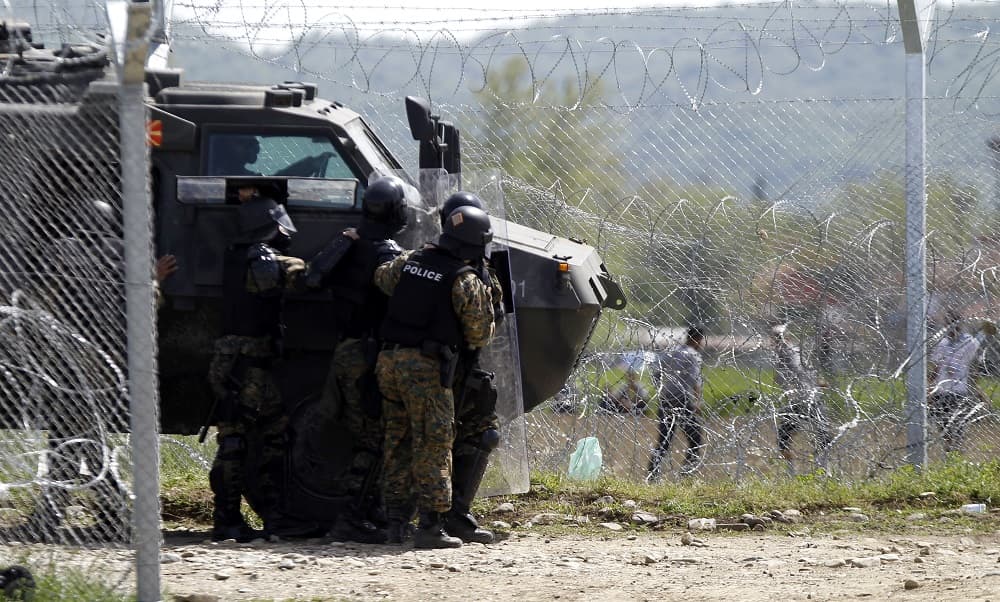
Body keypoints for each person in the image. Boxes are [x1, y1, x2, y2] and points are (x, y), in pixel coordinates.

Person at [375, 204, 496, 549]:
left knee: (397, 438)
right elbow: (480, 334)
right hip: (426, 367)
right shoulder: (464, 279)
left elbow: (382, 278)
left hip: (389, 360)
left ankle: (395, 523)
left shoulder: (410, 261)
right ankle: (430, 525)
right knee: (434, 441)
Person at [305, 176, 407, 543]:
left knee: (366, 434)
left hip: (346, 350)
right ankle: (352, 516)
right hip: (368, 355)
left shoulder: (348, 243)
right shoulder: (386, 253)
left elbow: (313, 277)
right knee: (374, 438)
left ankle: (370, 510)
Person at [206, 180, 305, 542]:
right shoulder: (263, 259)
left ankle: (267, 514)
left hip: (236, 360)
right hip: (246, 363)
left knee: (260, 434)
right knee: (240, 440)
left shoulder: (237, 254)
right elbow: (303, 279)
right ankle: (231, 519)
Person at [436, 191, 504, 545]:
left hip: (460, 366)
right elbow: (486, 326)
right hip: (440, 365)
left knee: (480, 433)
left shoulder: (472, 268)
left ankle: (455, 512)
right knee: (435, 439)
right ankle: (439, 517)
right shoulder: (452, 267)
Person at [928, 311, 996, 453]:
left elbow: (974, 368)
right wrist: (929, 388)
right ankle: (950, 453)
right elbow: (936, 368)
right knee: (945, 429)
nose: (950, 328)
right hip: (942, 391)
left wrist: (976, 389)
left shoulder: (968, 342)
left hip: (958, 392)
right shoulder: (942, 344)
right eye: (948, 325)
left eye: (953, 325)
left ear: (959, 326)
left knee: (958, 427)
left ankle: (956, 452)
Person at [770, 322, 832, 468]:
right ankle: (821, 467)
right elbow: (805, 371)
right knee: (821, 435)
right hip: (807, 397)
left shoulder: (789, 352)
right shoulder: (791, 352)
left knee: (786, 438)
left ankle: (819, 467)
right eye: (776, 338)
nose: (778, 340)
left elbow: (796, 373)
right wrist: (817, 382)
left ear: (787, 337)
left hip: (802, 399)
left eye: (779, 337)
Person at [648, 325, 705, 481]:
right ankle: (687, 474)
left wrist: (660, 389)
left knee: (664, 440)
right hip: (683, 400)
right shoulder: (693, 355)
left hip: (666, 399)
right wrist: (697, 403)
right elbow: (694, 381)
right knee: (696, 440)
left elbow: (656, 371)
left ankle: (653, 474)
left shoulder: (673, 352)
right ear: (698, 339)